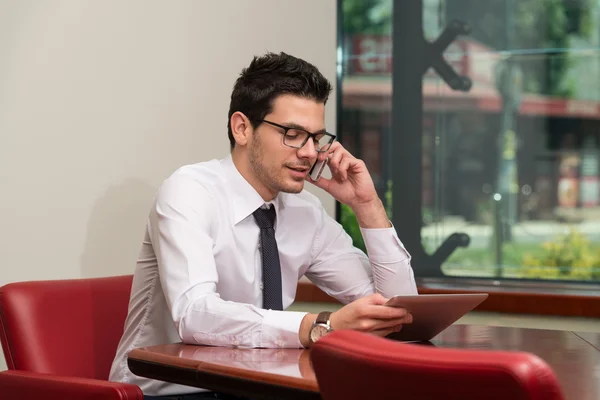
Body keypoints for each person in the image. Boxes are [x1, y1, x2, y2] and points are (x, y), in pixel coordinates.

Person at [109, 52, 417, 399]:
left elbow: (398, 312)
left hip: (261, 388)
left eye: (316, 137)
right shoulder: (190, 190)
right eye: (293, 133)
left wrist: (367, 205)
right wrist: (318, 327)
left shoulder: (305, 212)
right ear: (242, 128)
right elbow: (195, 314)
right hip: (169, 392)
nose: (311, 153)